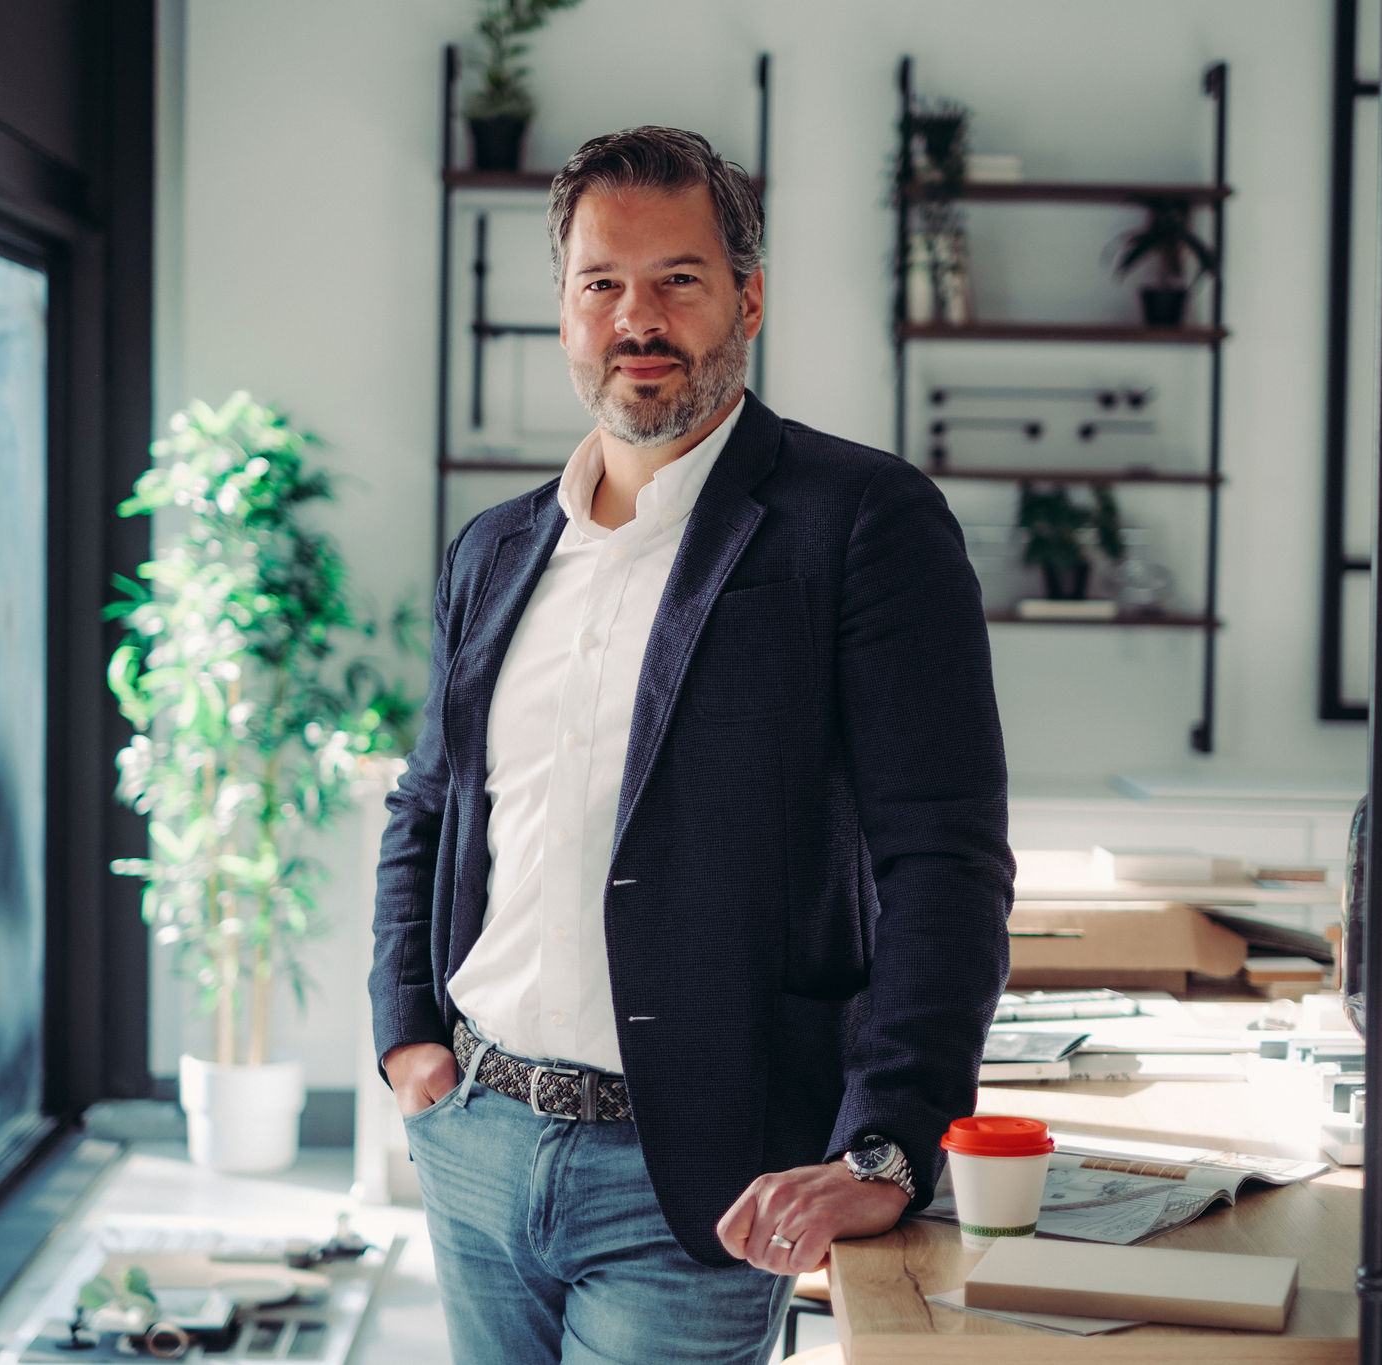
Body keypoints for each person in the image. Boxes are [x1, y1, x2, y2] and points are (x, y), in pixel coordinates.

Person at [370, 124, 1012, 1365]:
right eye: (600, 284)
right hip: (475, 1139)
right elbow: (430, 805)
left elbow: (942, 858)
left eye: (678, 279)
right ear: (562, 311)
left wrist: (887, 1141)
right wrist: (408, 1039)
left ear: (747, 299)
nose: (636, 318)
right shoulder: (494, 551)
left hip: (703, 1174)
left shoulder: (859, 522)